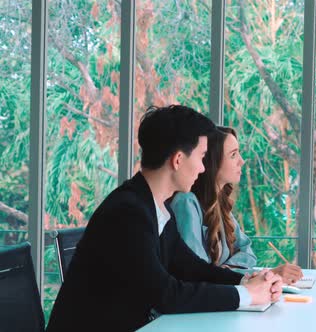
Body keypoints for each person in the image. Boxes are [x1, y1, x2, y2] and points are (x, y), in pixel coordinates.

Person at [46, 105, 282, 332]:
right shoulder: (128, 212)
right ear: (178, 160)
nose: (202, 168)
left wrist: (246, 281)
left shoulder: (153, 206)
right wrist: (247, 295)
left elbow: (189, 266)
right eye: (201, 157)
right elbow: (166, 295)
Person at [171, 127, 304, 285]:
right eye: (233, 155)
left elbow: (247, 250)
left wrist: (225, 270)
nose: (242, 160)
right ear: (212, 161)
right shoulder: (186, 202)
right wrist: (264, 275)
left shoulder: (219, 205)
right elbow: (196, 273)